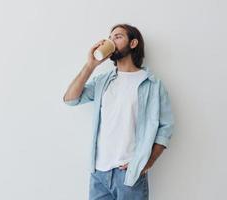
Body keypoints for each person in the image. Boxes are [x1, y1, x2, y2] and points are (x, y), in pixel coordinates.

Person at [63, 23, 174, 200]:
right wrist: (91, 65)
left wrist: (147, 162)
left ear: (133, 43)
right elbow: (70, 99)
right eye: (110, 37)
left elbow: (166, 127)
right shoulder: (103, 81)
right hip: (99, 173)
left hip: (129, 174)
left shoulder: (152, 84)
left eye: (118, 36)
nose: (111, 40)